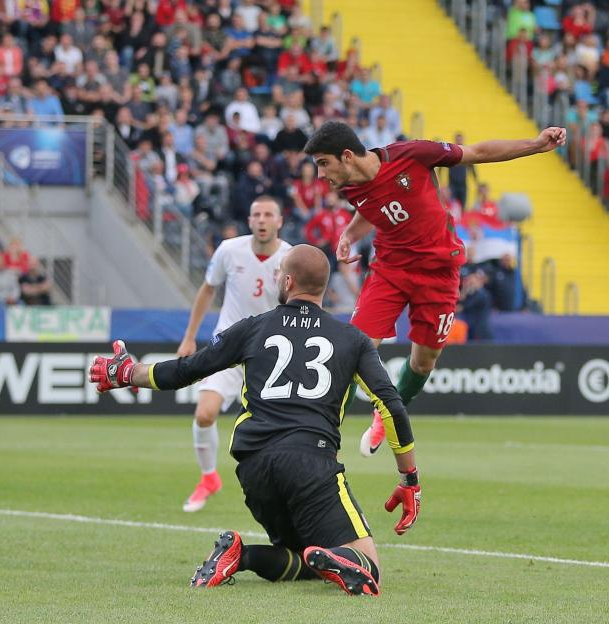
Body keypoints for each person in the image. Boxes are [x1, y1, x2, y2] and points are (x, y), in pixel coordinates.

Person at [89, 245, 419, 596]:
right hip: (311, 462)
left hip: (254, 468)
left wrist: (127, 372)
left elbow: (188, 370)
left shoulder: (253, 328)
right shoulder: (352, 340)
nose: (276, 277)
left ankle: (240, 555)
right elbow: (391, 405)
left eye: (279, 273)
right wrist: (409, 477)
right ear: (322, 286)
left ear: (288, 281)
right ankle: (341, 556)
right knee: (368, 567)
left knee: (303, 560)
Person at [302, 121, 566, 456]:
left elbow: (478, 153)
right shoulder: (350, 183)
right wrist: (349, 236)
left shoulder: (412, 154)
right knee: (353, 350)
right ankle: (319, 437)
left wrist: (535, 144)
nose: (321, 174)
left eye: (324, 163)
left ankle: (387, 414)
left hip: (439, 272)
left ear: (348, 156)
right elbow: (372, 208)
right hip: (390, 270)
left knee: (424, 363)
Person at [175, 196, 290, 512]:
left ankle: (284, 486)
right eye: (257, 214)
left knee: (278, 430)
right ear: (249, 220)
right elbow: (208, 289)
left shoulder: (291, 257)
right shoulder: (229, 250)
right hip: (228, 347)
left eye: (269, 214)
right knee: (204, 413)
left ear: (279, 221)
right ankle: (208, 477)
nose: (262, 220)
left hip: (270, 354)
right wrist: (189, 338)